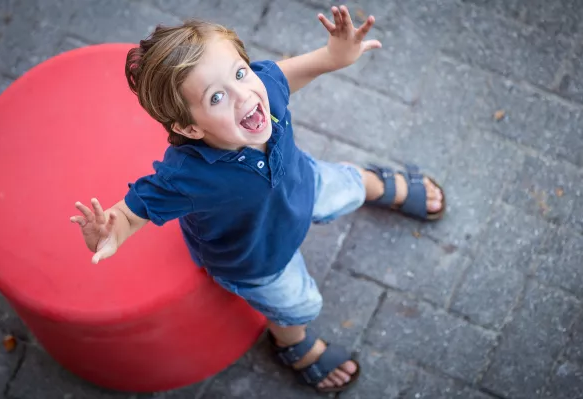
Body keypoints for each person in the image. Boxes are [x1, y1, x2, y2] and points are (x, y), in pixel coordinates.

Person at [70, 5, 445, 393]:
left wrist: (335, 55)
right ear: (189, 127)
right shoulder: (187, 175)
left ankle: (374, 183)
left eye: (240, 72)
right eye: (216, 97)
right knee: (298, 306)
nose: (244, 96)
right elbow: (135, 212)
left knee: (347, 185)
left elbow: (298, 70)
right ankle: (291, 344)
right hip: (255, 256)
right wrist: (111, 230)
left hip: (304, 185)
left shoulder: (263, 89)